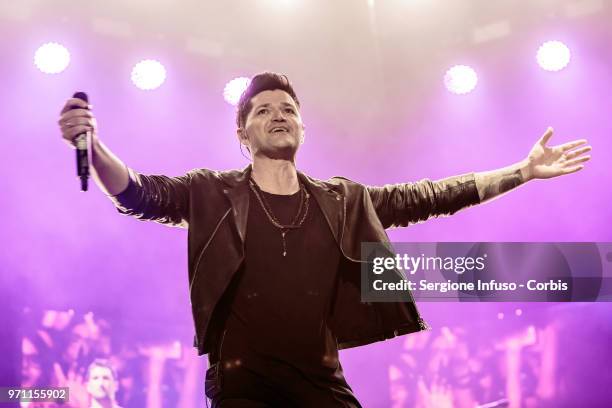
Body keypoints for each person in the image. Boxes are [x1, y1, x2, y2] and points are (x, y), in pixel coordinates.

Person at [57, 72, 591, 407]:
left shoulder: (342, 200)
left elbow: (431, 196)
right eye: (262, 110)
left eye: (287, 108)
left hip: (322, 384)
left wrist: (522, 171)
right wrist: (95, 145)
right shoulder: (211, 193)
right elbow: (138, 194)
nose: (277, 114)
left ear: (303, 129)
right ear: (243, 136)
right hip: (244, 387)